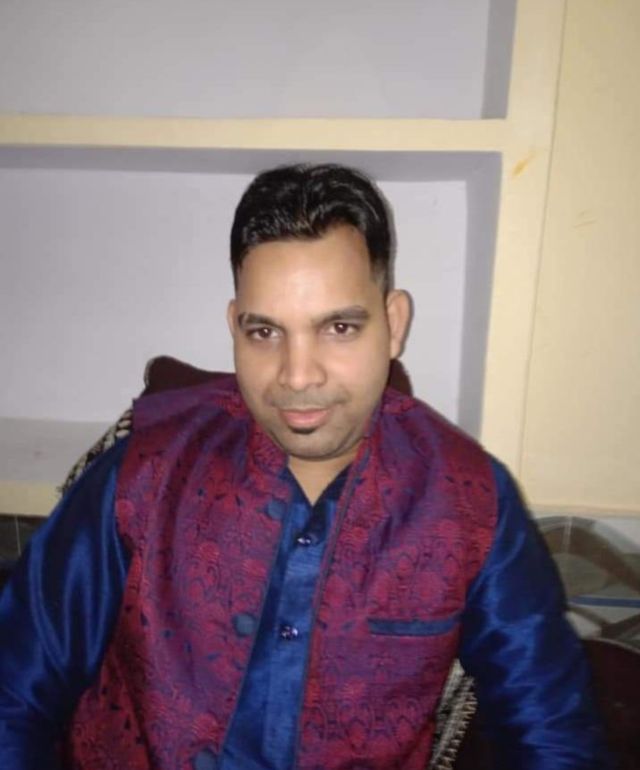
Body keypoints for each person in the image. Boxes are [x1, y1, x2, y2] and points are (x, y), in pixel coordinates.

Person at [0, 164, 610, 770]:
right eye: (265, 332)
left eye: (338, 327)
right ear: (235, 327)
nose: (297, 376)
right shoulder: (143, 474)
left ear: (394, 324)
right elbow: (16, 689)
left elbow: (549, 727)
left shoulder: (468, 501)